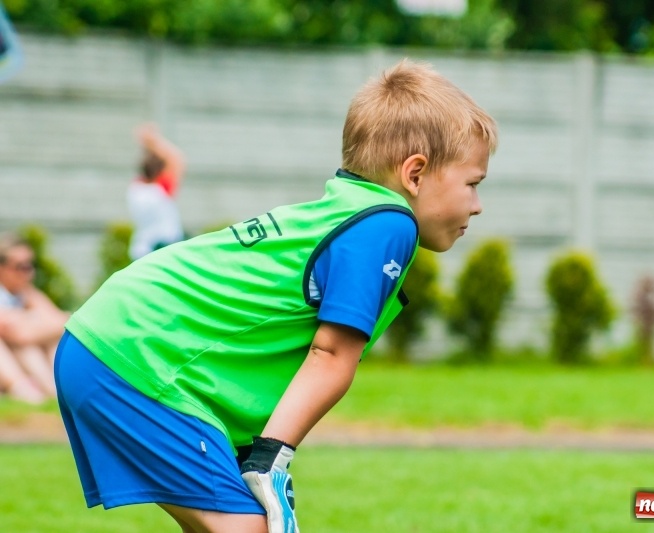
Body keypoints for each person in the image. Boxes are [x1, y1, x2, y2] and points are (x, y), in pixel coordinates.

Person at [55, 58, 498, 533]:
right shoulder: (388, 223)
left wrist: (260, 452)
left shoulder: (347, 210)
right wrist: (271, 460)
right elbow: (331, 354)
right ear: (415, 174)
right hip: (134, 358)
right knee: (248, 527)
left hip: (112, 343)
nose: (477, 205)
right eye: (472, 183)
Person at [0, 232, 69, 400]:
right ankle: (31, 390)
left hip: (22, 354)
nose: (28, 272)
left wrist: (29, 321)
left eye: (30, 265)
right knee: (26, 346)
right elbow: (17, 333)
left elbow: (65, 322)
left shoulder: (25, 293)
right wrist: (36, 320)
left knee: (48, 342)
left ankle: (56, 390)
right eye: (20, 266)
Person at [128, 123, 186, 260]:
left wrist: (148, 145)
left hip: (141, 249)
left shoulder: (135, 188)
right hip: (164, 249)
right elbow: (177, 159)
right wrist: (155, 140)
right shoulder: (160, 189)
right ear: (161, 172)